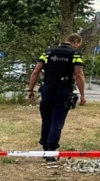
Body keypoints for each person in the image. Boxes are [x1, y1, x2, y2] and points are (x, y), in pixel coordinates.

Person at [28, 33, 86, 163]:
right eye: (78, 44)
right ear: (75, 42)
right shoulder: (75, 54)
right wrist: (82, 94)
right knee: (57, 121)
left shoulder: (48, 52)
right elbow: (79, 74)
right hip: (63, 90)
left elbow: (35, 72)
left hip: (47, 89)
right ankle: (51, 150)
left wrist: (30, 90)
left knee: (46, 119)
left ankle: (45, 147)